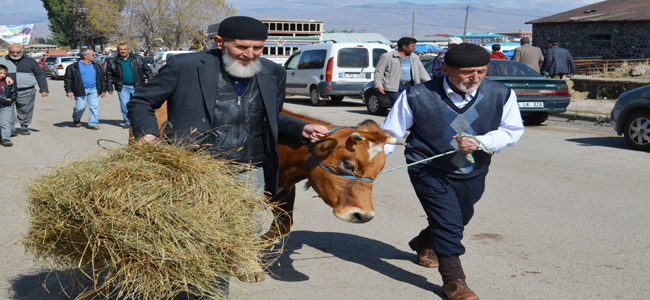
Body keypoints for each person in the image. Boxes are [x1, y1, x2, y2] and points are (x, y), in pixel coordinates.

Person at [127, 16, 330, 291]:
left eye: (258, 48)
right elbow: (142, 101)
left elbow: (271, 118)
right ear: (220, 42)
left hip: (248, 170)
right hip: (195, 168)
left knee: (233, 238)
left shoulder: (272, 72)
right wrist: (148, 134)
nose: (250, 54)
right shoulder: (185, 67)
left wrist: (302, 128)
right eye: (242, 47)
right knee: (194, 235)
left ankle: (211, 291)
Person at [381, 43, 524, 300]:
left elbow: (512, 130)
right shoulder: (417, 95)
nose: (475, 77)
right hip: (428, 168)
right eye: (467, 72)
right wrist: (372, 162)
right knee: (448, 221)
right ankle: (454, 281)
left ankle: (424, 242)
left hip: (473, 168)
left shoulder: (501, 93)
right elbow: (391, 133)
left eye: (481, 71)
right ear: (446, 69)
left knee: (459, 218)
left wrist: (482, 141)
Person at [0, 43, 49, 136]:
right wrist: (5, 77)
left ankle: (24, 127)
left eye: (18, 52)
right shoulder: (1, 60)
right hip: (6, 91)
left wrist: (44, 89)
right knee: (7, 109)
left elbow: (40, 74)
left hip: (26, 90)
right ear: (8, 51)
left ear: (22, 51)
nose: (15, 54)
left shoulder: (31, 61)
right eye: (12, 52)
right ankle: (11, 128)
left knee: (25, 109)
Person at [105, 43, 153, 129]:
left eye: (125, 49)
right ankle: (128, 122)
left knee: (138, 104)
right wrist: (109, 87)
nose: (123, 51)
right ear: (118, 51)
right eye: (120, 49)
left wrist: (152, 82)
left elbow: (147, 71)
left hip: (138, 86)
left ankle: (138, 120)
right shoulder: (112, 62)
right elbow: (109, 75)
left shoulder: (138, 58)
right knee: (125, 104)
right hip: (123, 86)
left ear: (129, 50)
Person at [374, 37, 431, 105]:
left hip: (411, 86)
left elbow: (422, 72)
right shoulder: (387, 56)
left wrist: (429, 84)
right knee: (399, 106)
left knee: (411, 107)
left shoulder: (414, 57)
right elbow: (379, 72)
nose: (415, 47)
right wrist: (379, 85)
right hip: (394, 87)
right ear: (404, 46)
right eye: (412, 46)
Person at [64, 48, 107, 130]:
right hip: (80, 90)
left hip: (94, 89)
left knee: (94, 106)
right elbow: (68, 80)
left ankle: (93, 123)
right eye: (93, 55)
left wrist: (103, 90)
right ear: (85, 56)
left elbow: (102, 79)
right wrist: (69, 90)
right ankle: (76, 118)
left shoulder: (96, 66)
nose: (95, 56)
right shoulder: (73, 67)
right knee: (80, 107)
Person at [0, 65, 18, 147]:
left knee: (5, 122)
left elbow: (14, 92)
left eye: (4, 74)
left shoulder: (9, 82)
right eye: (0, 73)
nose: (2, 75)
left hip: (5, 105)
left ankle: (6, 139)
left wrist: (11, 99)